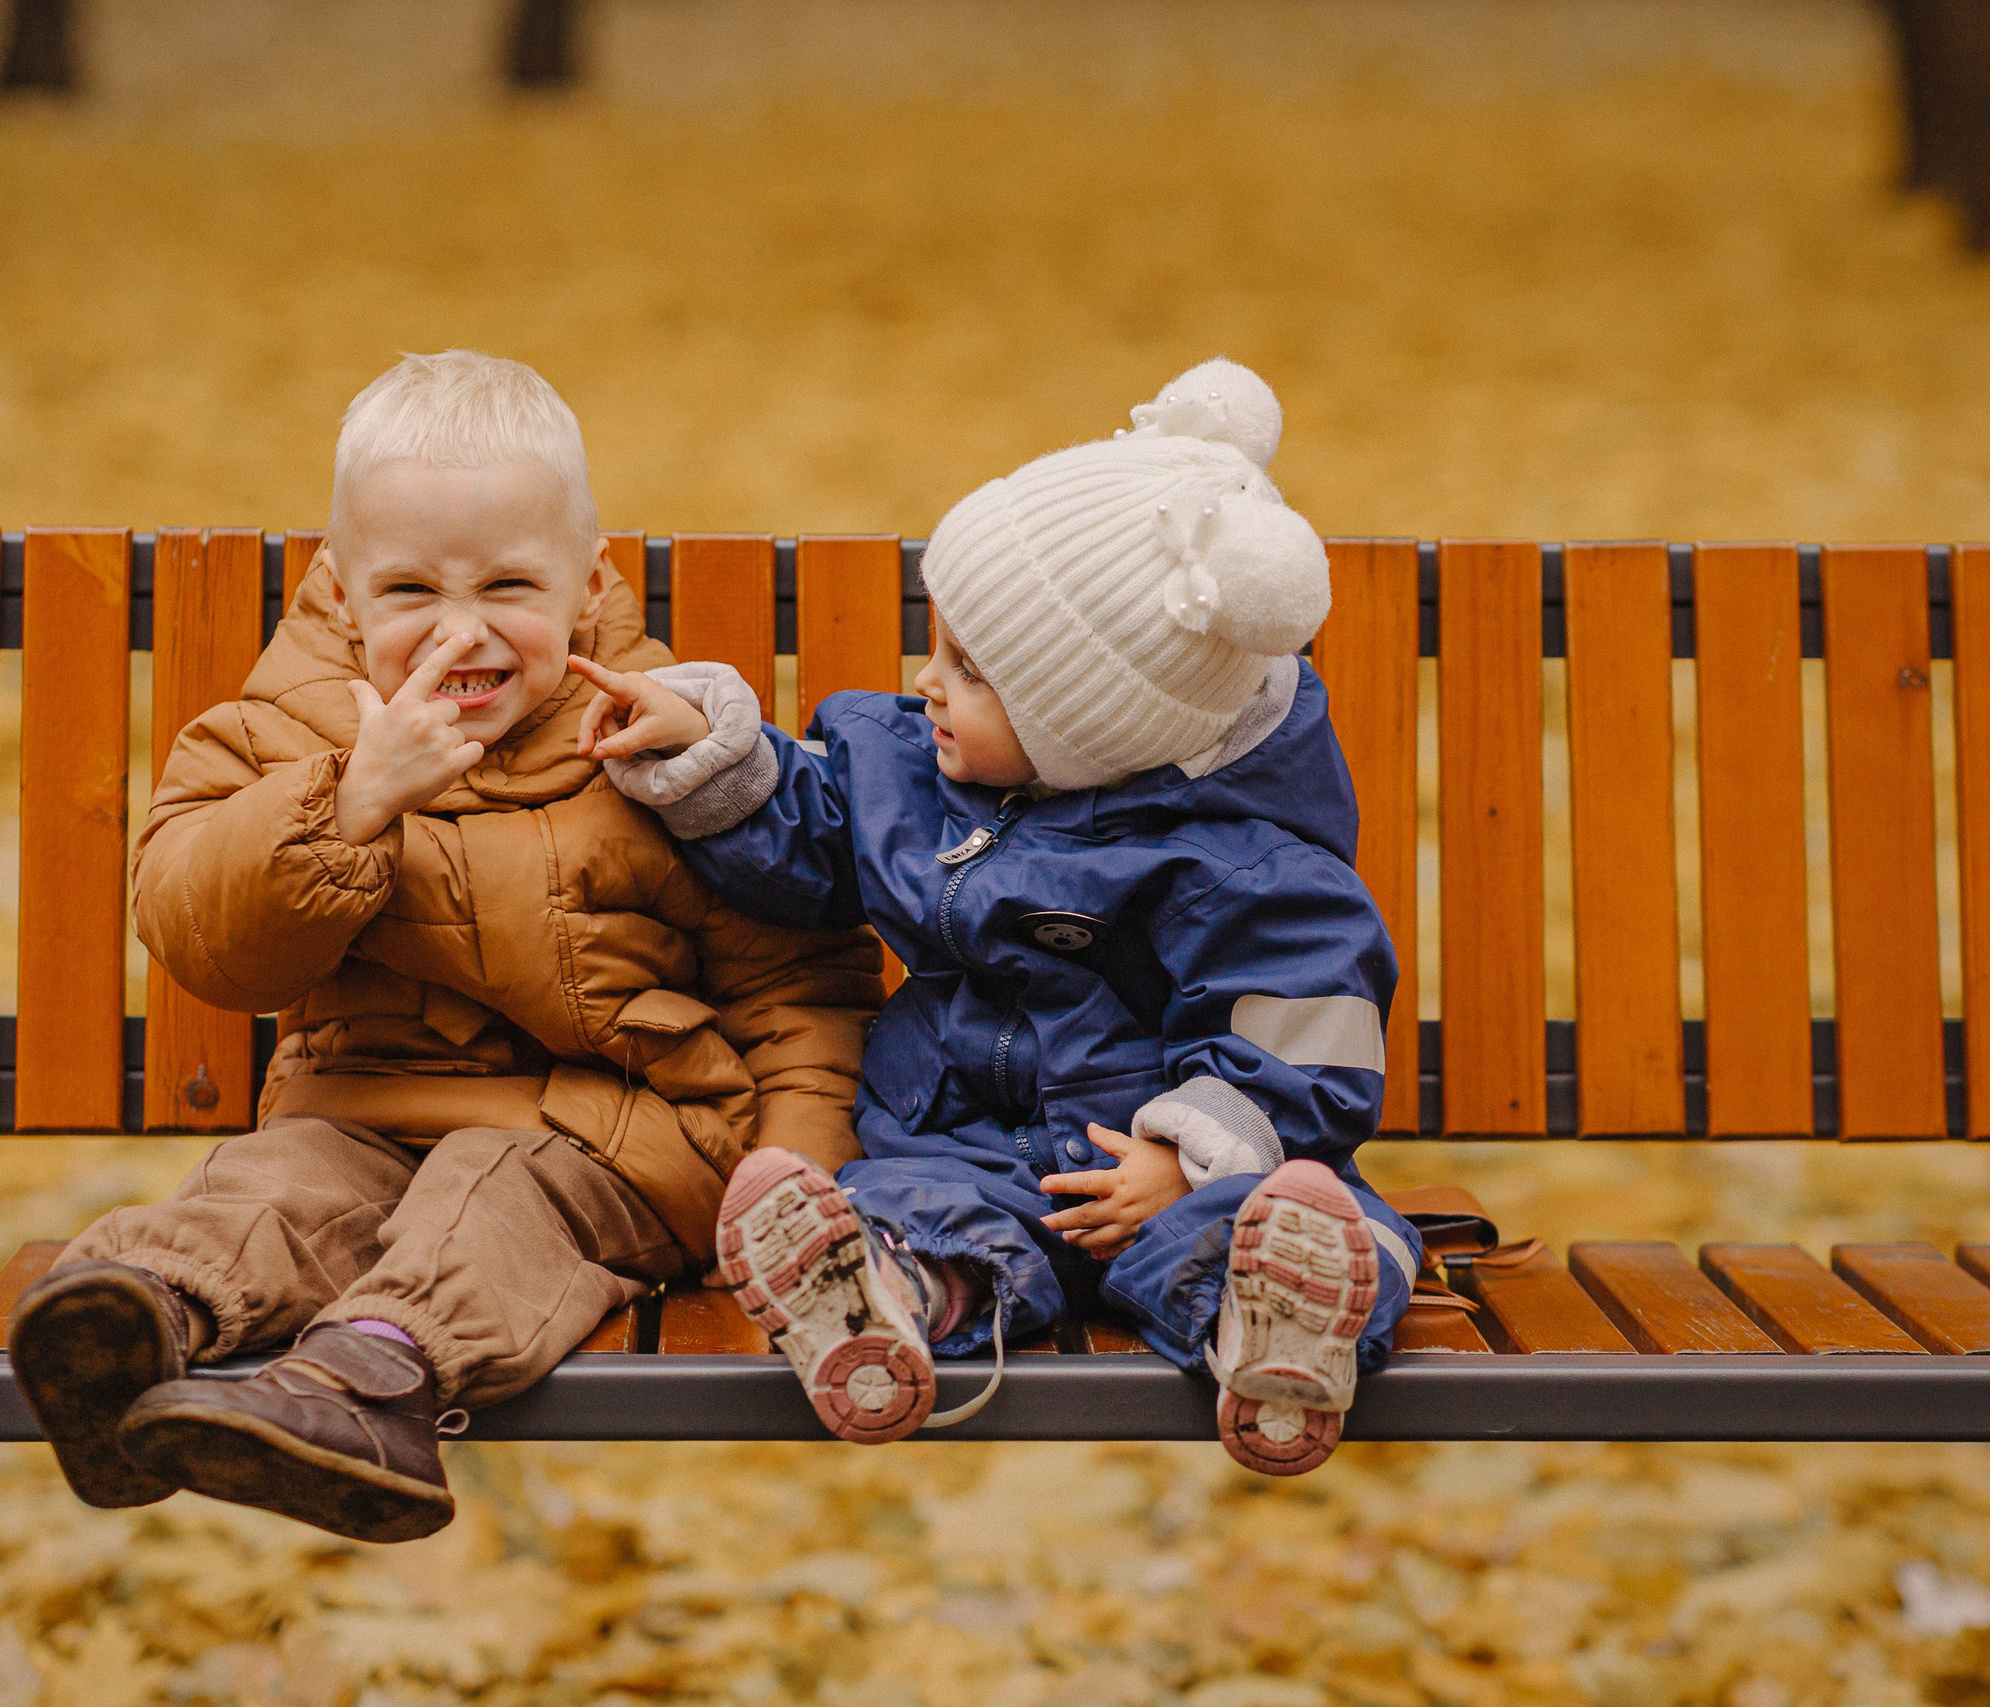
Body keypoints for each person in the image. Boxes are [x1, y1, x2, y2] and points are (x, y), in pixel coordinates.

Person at [7, 351, 881, 1541]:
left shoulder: (664, 751)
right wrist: (346, 805)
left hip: (618, 1141)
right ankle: (130, 1325)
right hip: (359, 1113)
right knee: (274, 1187)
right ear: (339, 590)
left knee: (494, 1193)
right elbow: (200, 933)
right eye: (410, 589)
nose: (458, 632)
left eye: (509, 585)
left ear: (587, 586)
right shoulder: (272, 740)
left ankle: (372, 1377)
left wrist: (789, 1184)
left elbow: (799, 986)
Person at [572, 359, 1416, 1475]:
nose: (924, 681)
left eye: (967, 669)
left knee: (1293, 1223)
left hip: (1159, 1163)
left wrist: (1192, 1150)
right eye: (939, 645)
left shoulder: (1242, 861)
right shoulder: (931, 777)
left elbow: (1302, 1029)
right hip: (964, 1140)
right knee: (911, 1206)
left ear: (1095, 726)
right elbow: (823, 828)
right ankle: (878, 1299)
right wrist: (704, 747)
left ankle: (1283, 1325)